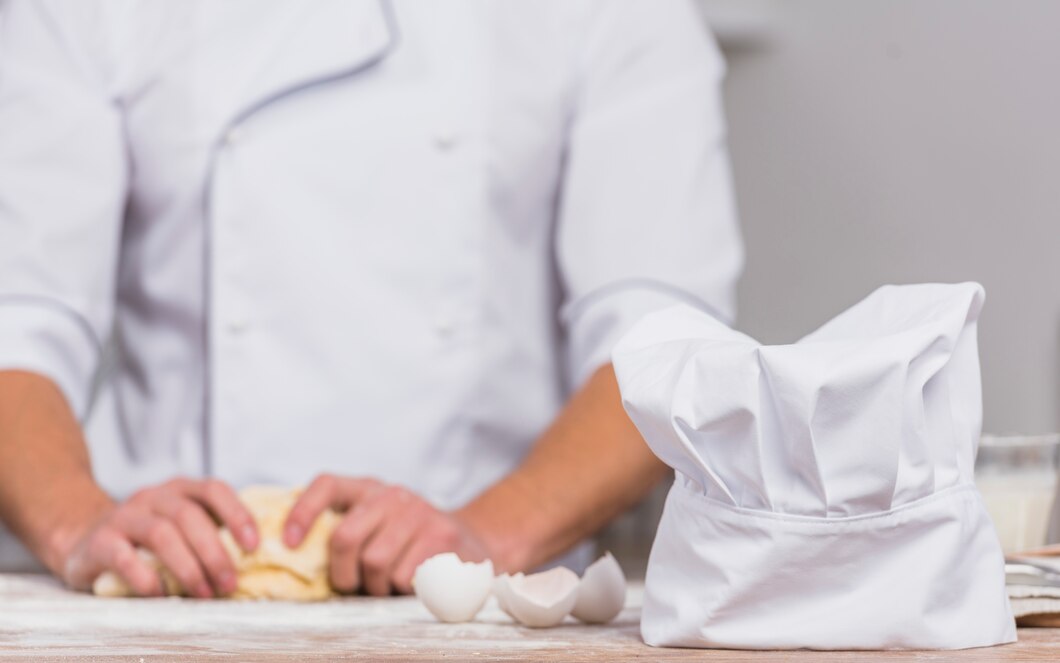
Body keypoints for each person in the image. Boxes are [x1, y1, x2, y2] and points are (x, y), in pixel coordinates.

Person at [0, 0, 741, 598]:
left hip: (487, 604)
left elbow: (664, 351)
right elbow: (17, 322)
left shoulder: (622, 14)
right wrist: (77, 523)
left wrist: (485, 535)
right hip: (165, 593)